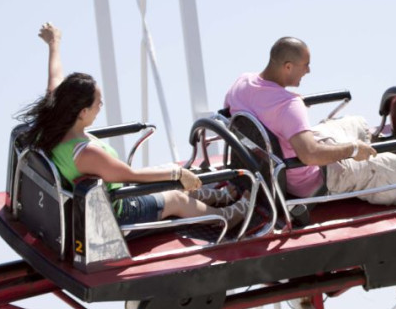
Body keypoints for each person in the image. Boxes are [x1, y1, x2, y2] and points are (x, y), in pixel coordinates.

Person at [18, 22, 249, 229]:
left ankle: (214, 196)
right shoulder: (86, 153)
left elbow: (55, 78)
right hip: (116, 212)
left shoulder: (54, 120)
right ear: (83, 112)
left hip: (111, 195)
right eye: (99, 103)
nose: (102, 106)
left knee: (167, 174)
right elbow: (132, 175)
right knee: (174, 197)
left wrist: (54, 43)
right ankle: (225, 217)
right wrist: (177, 172)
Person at [223, 37, 396, 205]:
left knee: (355, 123)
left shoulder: (242, 84)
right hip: (313, 177)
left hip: (277, 156)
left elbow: (241, 112)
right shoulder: (288, 106)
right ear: (288, 66)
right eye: (305, 65)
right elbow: (309, 155)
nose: (309, 70)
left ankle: (381, 149)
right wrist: (351, 150)